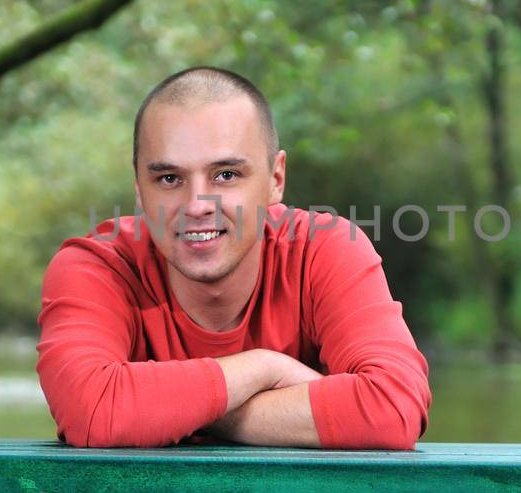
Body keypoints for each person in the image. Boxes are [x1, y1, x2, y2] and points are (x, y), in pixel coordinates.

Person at [36, 67, 431, 449]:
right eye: (169, 179)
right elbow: (90, 410)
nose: (196, 205)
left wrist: (161, 412)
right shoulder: (97, 265)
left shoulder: (324, 250)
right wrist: (263, 368)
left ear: (275, 179)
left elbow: (393, 409)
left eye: (225, 175)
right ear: (139, 188)